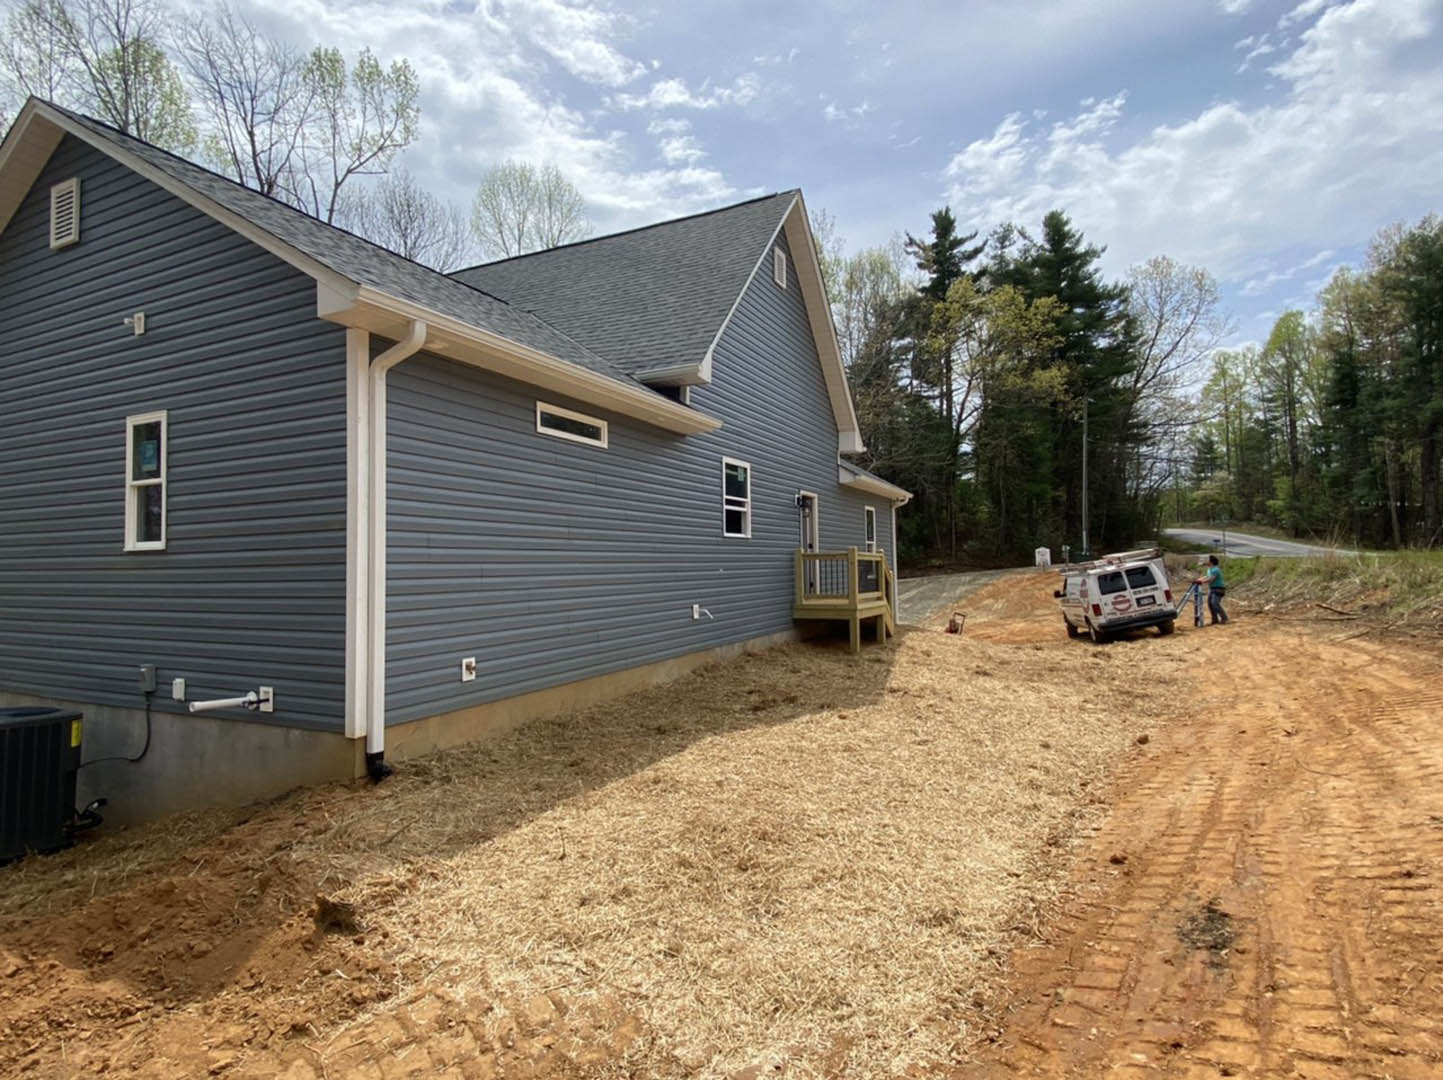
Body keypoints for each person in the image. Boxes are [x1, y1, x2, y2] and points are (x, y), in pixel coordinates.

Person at [1195, 555, 1228, 625]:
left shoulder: (1216, 569)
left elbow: (1211, 579)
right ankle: (1214, 619)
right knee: (1210, 604)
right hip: (1212, 589)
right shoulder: (1209, 569)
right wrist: (1199, 579)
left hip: (1218, 589)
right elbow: (1207, 576)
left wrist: (1201, 581)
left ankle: (1224, 618)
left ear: (1211, 562)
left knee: (1215, 603)